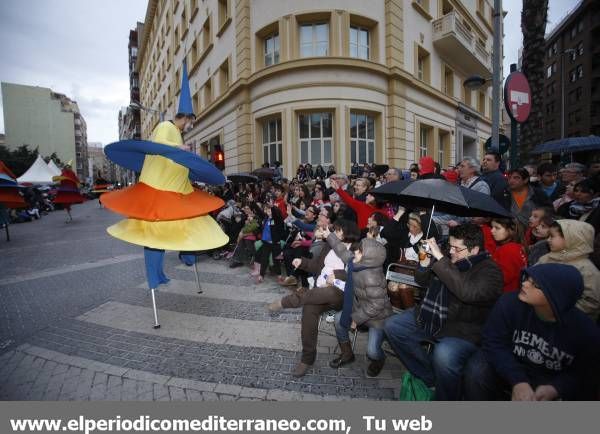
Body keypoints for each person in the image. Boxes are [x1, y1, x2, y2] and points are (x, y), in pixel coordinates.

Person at [384, 223, 503, 400]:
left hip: (463, 329)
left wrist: (440, 258)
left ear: (475, 249)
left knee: (444, 355)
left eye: (457, 248)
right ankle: (429, 376)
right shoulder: (448, 259)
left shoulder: (490, 271)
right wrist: (424, 265)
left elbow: (466, 292)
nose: (452, 251)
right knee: (393, 326)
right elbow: (422, 281)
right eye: (450, 246)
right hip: (430, 316)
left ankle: (446, 399)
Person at [464, 264, 600, 401]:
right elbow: (493, 342)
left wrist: (556, 388)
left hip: (551, 380)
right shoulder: (509, 303)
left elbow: (585, 372)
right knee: (478, 368)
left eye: (535, 285)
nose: (524, 284)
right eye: (527, 278)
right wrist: (517, 380)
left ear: (556, 296)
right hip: (511, 368)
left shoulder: (585, 331)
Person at [266, 220, 361, 377]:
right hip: (320, 291)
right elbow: (317, 266)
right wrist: (302, 262)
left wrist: (337, 275)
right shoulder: (329, 246)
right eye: (335, 230)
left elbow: (357, 273)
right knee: (309, 308)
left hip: (342, 294)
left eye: (337, 230)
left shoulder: (357, 250)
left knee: (329, 292)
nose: (333, 233)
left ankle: (286, 302)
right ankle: (307, 358)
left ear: (346, 232)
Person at [329, 236, 393, 378]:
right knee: (338, 319)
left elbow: (377, 305)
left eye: (359, 251)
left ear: (368, 257)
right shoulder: (357, 263)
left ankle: (380, 359)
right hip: (360, 310)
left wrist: (356, 319)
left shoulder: (371, 276)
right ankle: (347, 354)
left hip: (378, 318)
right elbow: (343, 252)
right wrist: (329, 235)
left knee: (372, 351)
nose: (355, 252)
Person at [537, 220, 600, 322]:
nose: (548, 240)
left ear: (570, 239)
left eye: (552, 236)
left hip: (569, 324)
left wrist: (556, 311)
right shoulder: (547, 258)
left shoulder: (588, 271)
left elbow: (591, 303)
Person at [489, 218, 527, 293]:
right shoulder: (517, 246)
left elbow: (499, 278)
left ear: (511, 230)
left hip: (505, 293)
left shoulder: (508, 249)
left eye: (497, 228)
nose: (492, 231)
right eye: (492, 227)